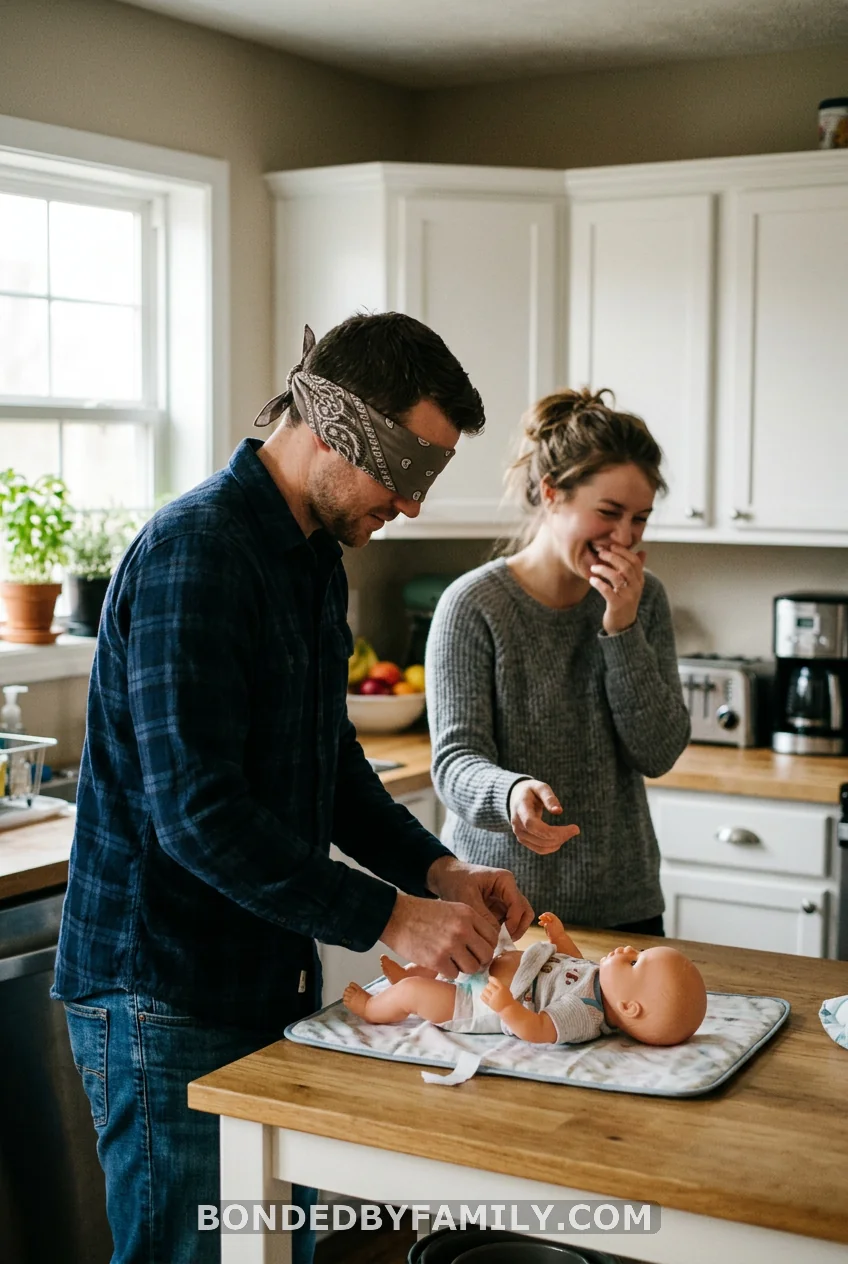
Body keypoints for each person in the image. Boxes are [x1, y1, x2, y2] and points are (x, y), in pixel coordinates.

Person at [52, 314, 534, 1264]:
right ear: (335, 427)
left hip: (263, 977)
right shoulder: (197, 554)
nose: (412, 503)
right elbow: (199, 817)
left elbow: (329, 763)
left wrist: (438, 872)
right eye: (406, 469)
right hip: (164, 993)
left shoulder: (312, 558)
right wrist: (392, 918)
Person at [425, 387, 690, 939]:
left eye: (640, 519)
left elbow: (658, 752)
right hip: (501, 907)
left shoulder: (645, 601)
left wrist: (621, 628)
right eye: (609, 513)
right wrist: (509, 793)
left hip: (623, 906)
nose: (625, 537)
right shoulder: (473, 605)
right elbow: (454, 763)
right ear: (551, 493)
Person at [344, 912, 707, 1047]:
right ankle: (408, 975)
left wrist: (506, 1007)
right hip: (490, 967)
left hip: (477, 1004)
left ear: (629, 1007)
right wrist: (559, 940)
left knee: (416, 993)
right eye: (638, 951)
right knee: (452, 951)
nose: (628, 950)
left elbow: (538, 1029)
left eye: (635, 961)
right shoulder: (597, 979)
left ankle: (375, 1007)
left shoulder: (585, 1014)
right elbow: (572, 964)